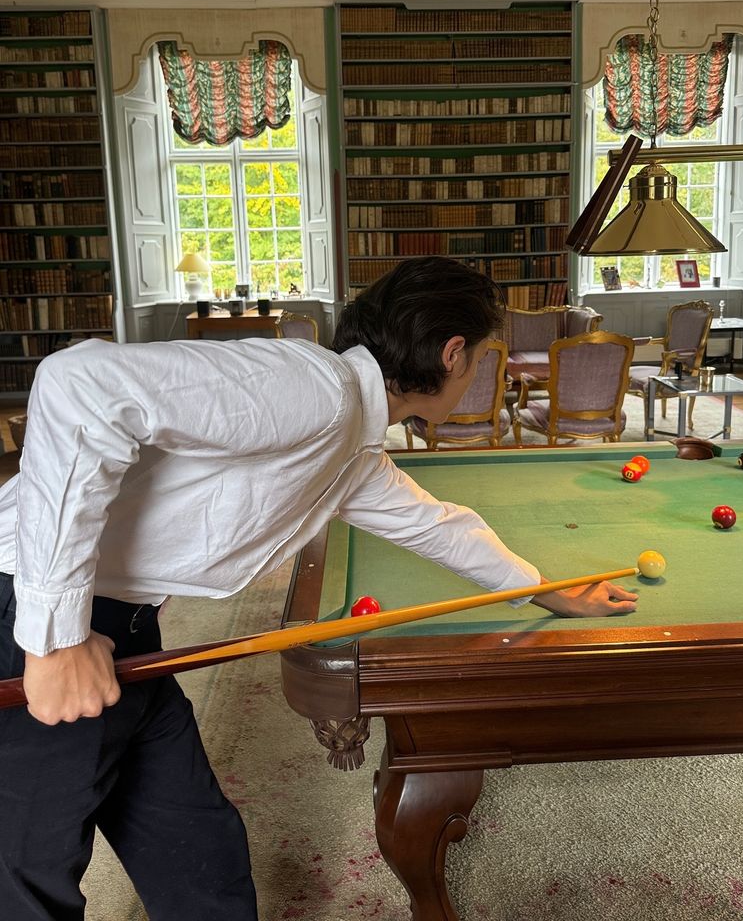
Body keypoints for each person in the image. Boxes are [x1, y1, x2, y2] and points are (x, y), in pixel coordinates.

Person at [0, 256, 638, 920]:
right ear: (453, 354)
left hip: (122, 628)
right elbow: (81, 383)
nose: (475, 369)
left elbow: (437, 527)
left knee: (200, 854)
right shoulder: (313, 388)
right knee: (28, 884)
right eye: (480, 357)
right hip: (27, 610)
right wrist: (54, 637)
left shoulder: (349, 445)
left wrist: (549, 590)